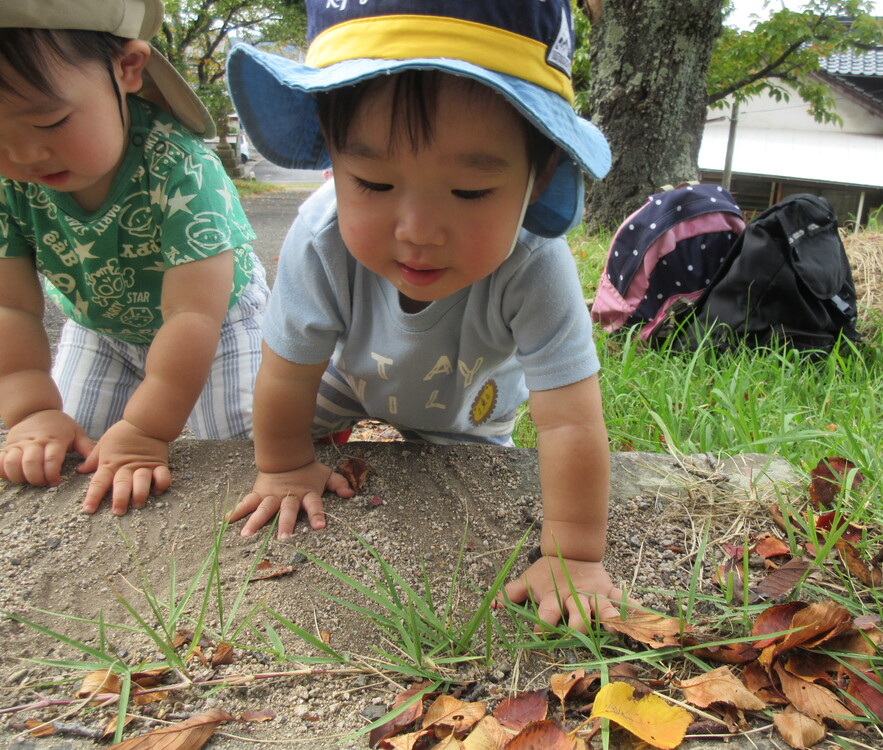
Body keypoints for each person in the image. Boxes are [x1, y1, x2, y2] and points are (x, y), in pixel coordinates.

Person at [226, 0, 623, 629]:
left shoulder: (534, 263)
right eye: (374, 184)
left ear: (539, 176)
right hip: (344, 380)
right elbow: (289, 370)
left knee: (472, 478)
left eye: (469, 192)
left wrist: (574, 554)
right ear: (332, 153)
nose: (417, 232)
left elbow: (570, 423)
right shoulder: (320, 234)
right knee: (263, 431)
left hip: (467, 404)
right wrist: (283, 464)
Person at [0, 0, 269, 515]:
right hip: (101, 327)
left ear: (127, 68)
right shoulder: (9, 182)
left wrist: (146, 431)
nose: (25, 156)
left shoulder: (181, 168)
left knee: (246, 441)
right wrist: (32, 411)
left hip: (219, 321)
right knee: (74, 449)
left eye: (51, 121)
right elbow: (9, 308)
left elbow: (192, 316)